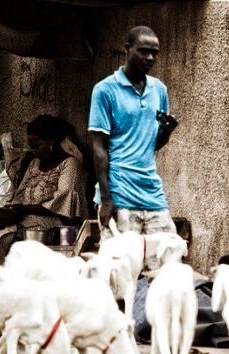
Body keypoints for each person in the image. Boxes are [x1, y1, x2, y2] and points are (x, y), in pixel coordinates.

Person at [0, 114, 90, 267]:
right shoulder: (34, 163)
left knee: (2, 241)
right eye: (31, 146)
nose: (33, 151)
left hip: (50, 223)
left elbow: (65, 200)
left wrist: (25, 208)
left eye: (37, 146)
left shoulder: (70, 164)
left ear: (52, 142)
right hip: (21, 220)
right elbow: (19, 195)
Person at [89, 25, 178, 239]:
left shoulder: (159, 90)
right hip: (119, 190)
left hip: (151, 190)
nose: (150, 57)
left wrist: (167, 132)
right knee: (123, 266)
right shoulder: (105, 90)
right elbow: (99, 147)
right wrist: (107, 198)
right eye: (143, 51)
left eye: (154, 53)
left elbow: (152, 144)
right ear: (127, 49)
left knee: (166, 257)